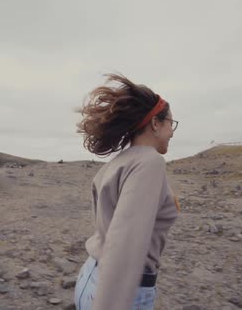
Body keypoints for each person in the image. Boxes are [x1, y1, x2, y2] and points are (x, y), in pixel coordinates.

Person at [74, 73, 180, 310]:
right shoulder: (149, 162)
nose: (172, 132)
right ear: (155, 123)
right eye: (170, 124)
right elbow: (124, 245)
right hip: (119, 292)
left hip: (91, 278)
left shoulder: (117, 163)